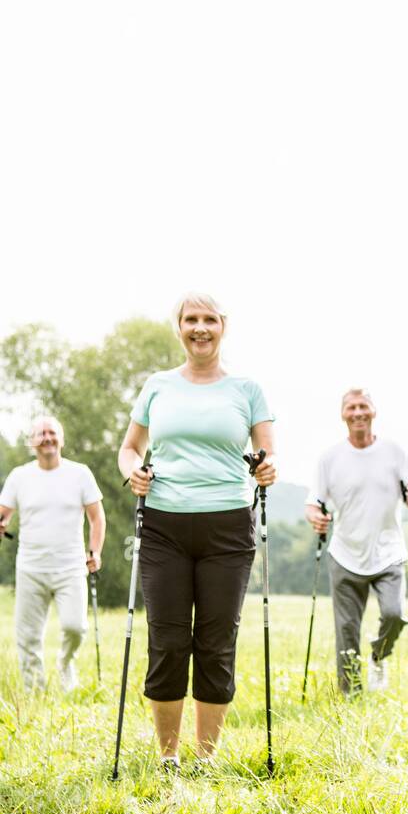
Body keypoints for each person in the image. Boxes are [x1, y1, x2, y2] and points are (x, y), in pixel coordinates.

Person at [117, 293, 276, 768]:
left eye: (209, 319)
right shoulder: (158, 386)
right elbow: (130, 448)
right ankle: (169, 757)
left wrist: (267, 470)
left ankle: (205, 759)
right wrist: (133, 472)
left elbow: (267, 451)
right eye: (191, 319)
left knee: (215, 641)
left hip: (227, 527)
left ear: (223, 327)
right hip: (164, 524)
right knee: (166, 641)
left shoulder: (247, 389)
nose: (200, 328)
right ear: (179, 327)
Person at [306, 389, 408, 693]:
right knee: (346, 630)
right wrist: (314, 516)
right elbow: (313, 502)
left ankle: (378, 655)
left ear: (373, 411)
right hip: (345, 554)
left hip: (389, 553)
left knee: (394, 615)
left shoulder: (394, 452)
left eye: (363, 406)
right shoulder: (329, 458)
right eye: (351, 407)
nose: (357, 412)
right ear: (343, 415)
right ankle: (350, 696)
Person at [0, 416, 105, 692]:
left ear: (61, 439)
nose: (46, 437)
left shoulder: (80, 473)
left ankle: (65, 662)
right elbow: (4, 513)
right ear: (32, 442)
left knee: (75, 627)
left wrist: (95, 551)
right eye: (40, 433)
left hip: (70, 567)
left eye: (52, 432)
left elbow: (97, 517)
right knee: (28, 636)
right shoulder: (19, 476)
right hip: (30, 568)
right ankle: (33, 690)